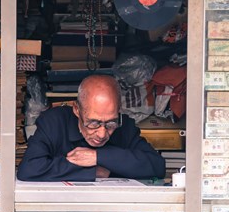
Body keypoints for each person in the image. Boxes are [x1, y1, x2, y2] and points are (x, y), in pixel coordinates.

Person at [17, 75, 165, 181]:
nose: (102, 134)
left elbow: (157, 166)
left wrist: (98, 156)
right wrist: (94, 171)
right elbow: (29, 169)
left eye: (110, 123)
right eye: (93, 123)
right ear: (76, 110)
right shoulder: (54, 122)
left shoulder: (124, 126)